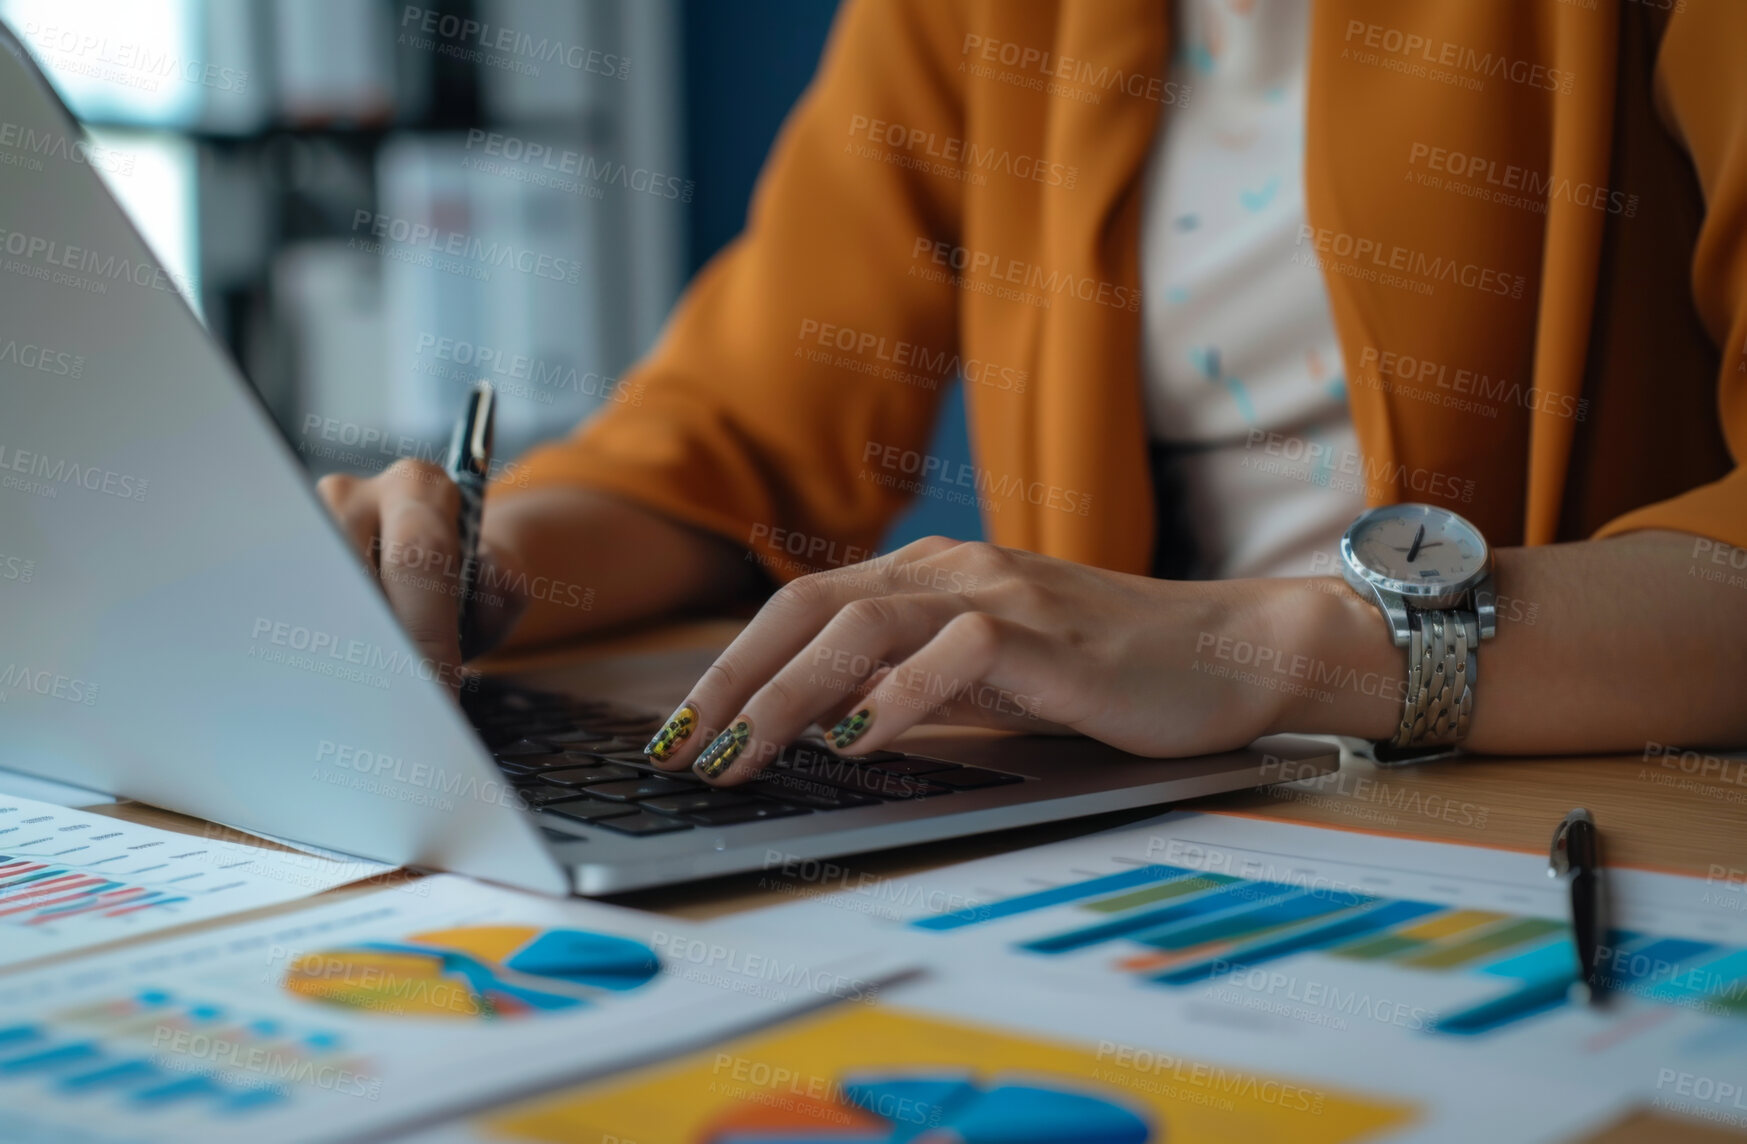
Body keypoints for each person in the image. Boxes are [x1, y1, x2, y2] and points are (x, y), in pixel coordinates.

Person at [318, 0, 1747, 785]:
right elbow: (730, 436)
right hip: (1161, 805)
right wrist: (477, 566)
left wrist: (1264, 646)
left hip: (1579, 804)